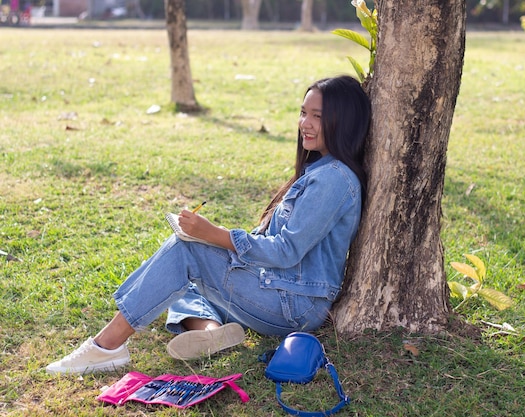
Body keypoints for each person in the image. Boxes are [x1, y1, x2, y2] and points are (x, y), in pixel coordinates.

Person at [46, 75, 372, 375]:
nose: (305, 123)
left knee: (185, 254)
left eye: (317, 116)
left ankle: (105, 347)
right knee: (176, 277)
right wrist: (215, 241)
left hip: (295, 305)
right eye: (303, 113)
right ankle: (210, 333)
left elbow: (286, 251)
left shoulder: (333, 179)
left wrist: (213, 235)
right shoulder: (321, 169)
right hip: (280, 288)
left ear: (342, 121)